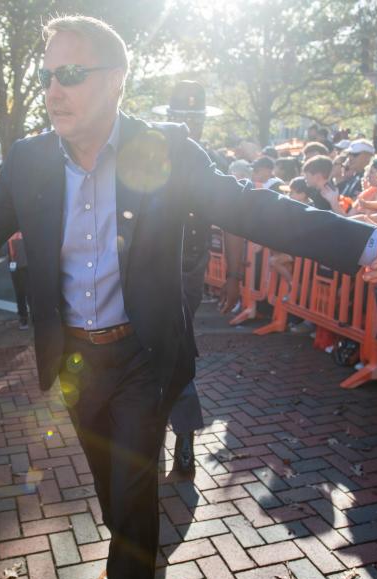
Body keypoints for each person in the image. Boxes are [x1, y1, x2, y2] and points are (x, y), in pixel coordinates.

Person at [0, 16, 377, 579]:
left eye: (70, 75)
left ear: (117, 80)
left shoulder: (166, 149)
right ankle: (125, 558)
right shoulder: (29, 160)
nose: (53, 91)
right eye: (48, 76)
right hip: (73, 359)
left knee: (133, 486)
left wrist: (373, 245)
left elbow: (251, 208)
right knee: (107, 482)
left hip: (144, 356)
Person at [153, 80, 242, 474]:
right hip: (144, 268)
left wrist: (235, 274)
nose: (190, 124)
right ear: (170, 118)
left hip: (186, 270)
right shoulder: (147, 153)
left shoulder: (213, 162)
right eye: (182, 117)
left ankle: (184, 438)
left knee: (176, 348)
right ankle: (159, 434)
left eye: (195, 118)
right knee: (148, 352)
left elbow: (236, 220)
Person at [7, 231, 30, 329]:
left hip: (17, 262)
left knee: (21, 291)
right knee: (27, 291)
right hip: (19, 262)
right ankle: (27, 318)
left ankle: (24, 319)